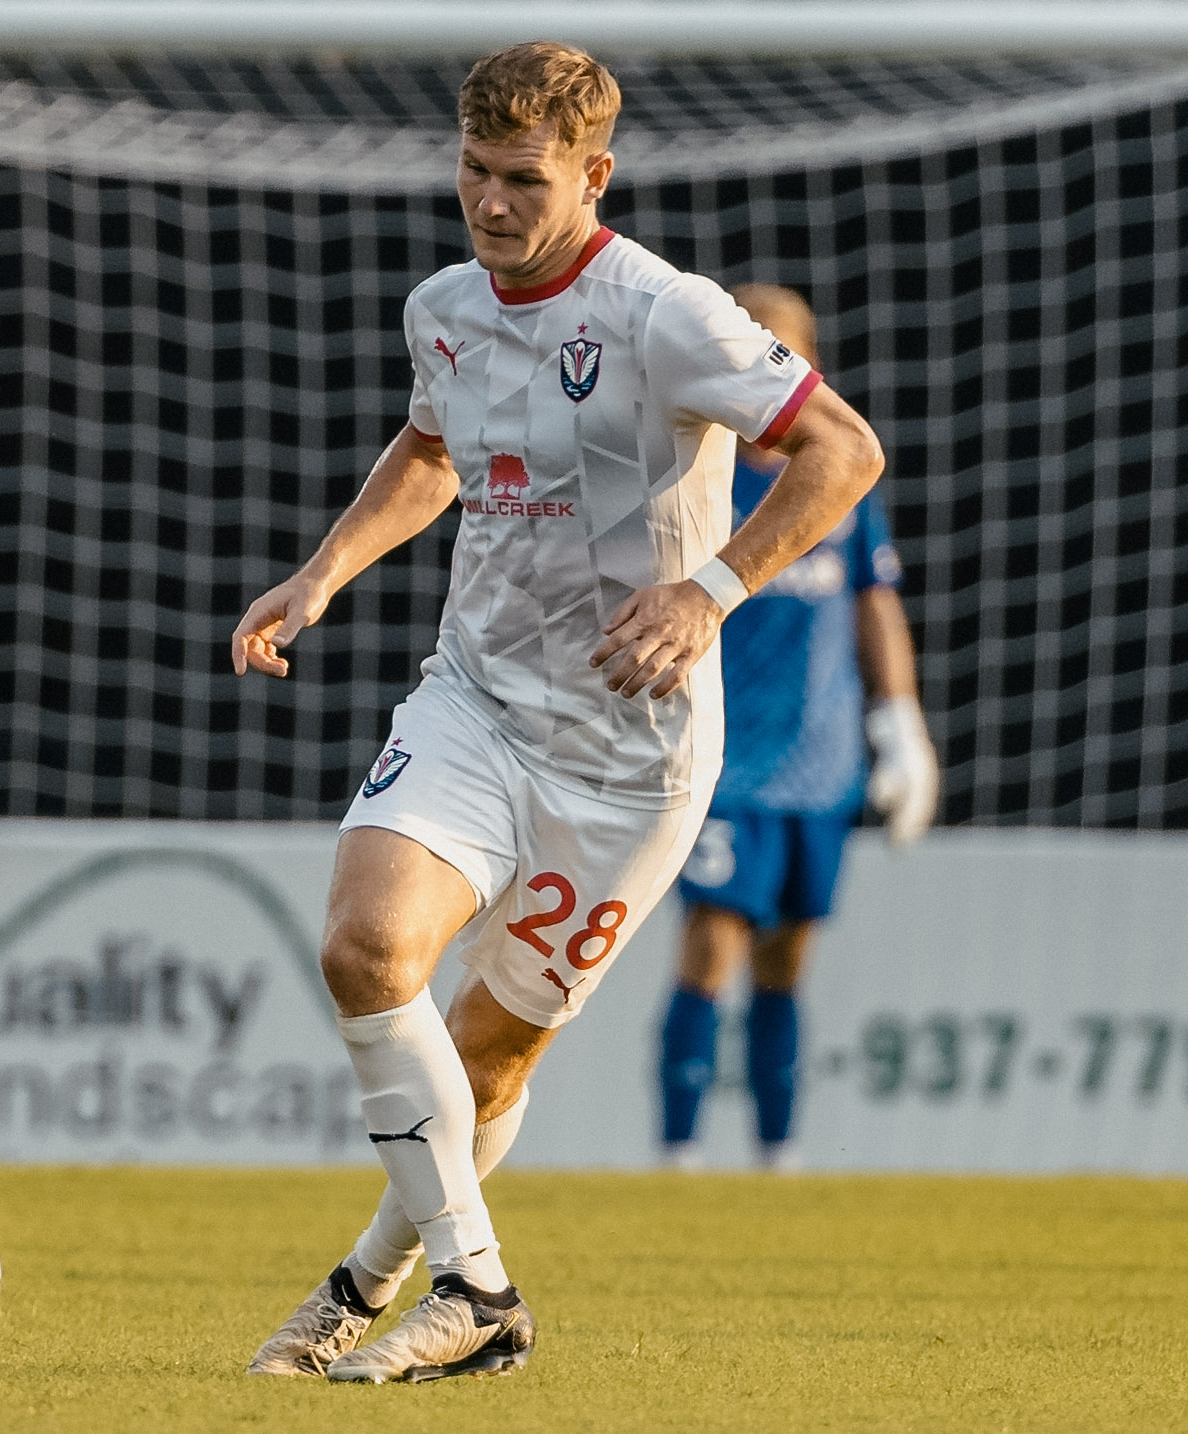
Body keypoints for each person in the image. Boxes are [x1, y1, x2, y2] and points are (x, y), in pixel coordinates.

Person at [229, 42, 886, 1384]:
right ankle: (483, 1288)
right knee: (365, 952)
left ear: (593, 174)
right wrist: (322, 572)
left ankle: (371, 1277)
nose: (488, 203)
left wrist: (710, 591)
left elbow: (847, 454)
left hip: (628, 758)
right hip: (474, 700)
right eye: (471, 171)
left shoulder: (667, 313)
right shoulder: (443, 307)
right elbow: (432, 448)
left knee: (485, 1058)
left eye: (521, 179)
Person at [658, 285, 941, 1173]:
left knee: (786, 962)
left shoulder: (841, 485)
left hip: (820, 769)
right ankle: (679, 1156)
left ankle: (775, 1159)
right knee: (710, 948)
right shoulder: (699, 480)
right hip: (723, 765)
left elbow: (874, 606)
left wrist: (898, 727)